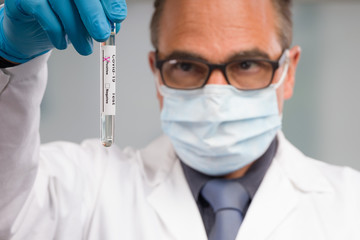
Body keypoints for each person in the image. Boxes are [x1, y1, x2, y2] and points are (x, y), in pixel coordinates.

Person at [0, 0, 359, 239]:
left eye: (247, 64)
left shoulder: (351, 206)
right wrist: (8, 57)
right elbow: (8, 215)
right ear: (157, 72)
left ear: (289, 71)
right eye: (186, 66)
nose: (216, 95)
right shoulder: (85, 189)